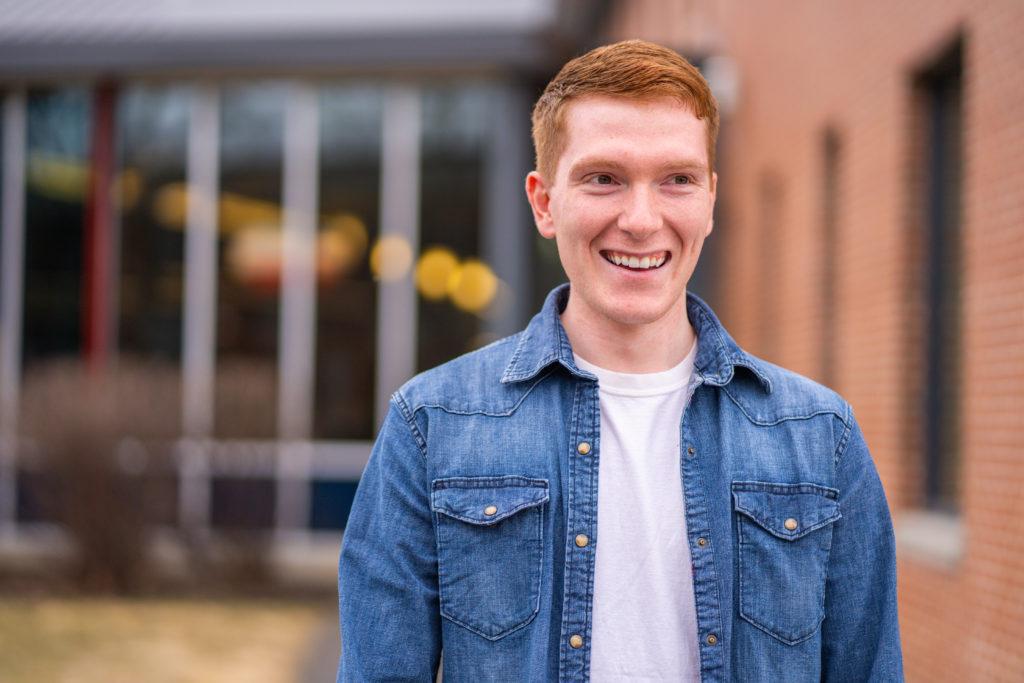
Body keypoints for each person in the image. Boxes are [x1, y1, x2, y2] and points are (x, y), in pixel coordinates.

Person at [338, 39, 903, 682]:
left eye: (677, 180)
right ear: (545, 202)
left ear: (710, 200)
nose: (640, 219)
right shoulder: (431, 426)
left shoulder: (821, 438)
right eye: (604, 178)